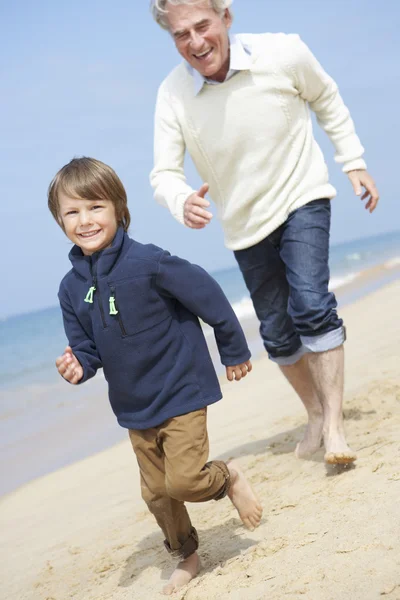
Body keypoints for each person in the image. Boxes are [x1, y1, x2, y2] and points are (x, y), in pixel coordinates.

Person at [149, 0, 380, 465]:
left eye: (202, 26)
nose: (195, 42)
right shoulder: (173, 93)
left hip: (302, 196)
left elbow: (326, 97)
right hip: (244, 223)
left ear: (225, 18)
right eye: (181, 34)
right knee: (276, 332)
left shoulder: (284, 53)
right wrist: (182, 201)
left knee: (312, 305)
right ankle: (314, 412)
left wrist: (352, 161)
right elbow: (164, 173)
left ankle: (335, 428)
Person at [48, 157, 262, 595]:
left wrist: (233, 349)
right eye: (72, 212)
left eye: (95, 207)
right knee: (157, 494)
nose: (84, 220)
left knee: (184, 480)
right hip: (134, 406)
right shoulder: (70, 289)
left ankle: (229, 476)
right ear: (59, 220)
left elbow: (208, 294)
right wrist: (78, 368)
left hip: (181, 388)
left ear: (118, 209)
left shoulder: (149, 262)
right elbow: (87, 348)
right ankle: (187, 554)